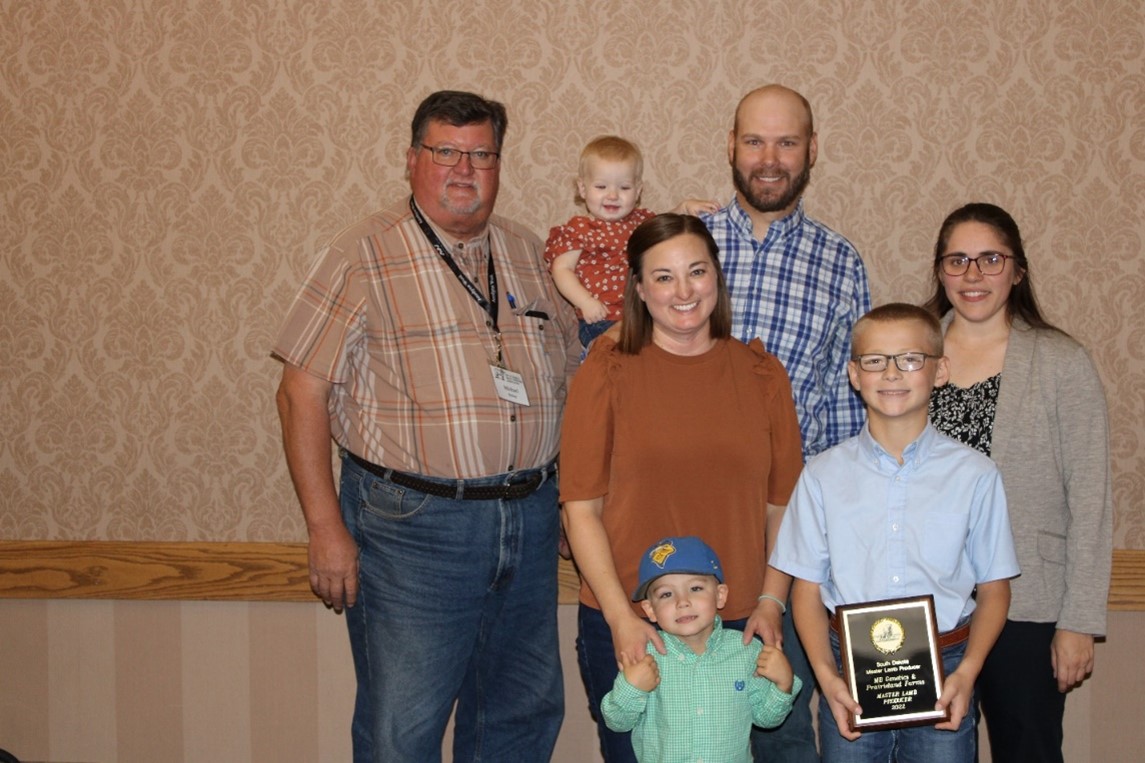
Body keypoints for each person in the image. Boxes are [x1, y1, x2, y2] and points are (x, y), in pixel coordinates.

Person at [272, 90, 580, 763]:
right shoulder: (363, 254)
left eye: (481, 154)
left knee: (520, 712)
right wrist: (324, 527)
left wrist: (569, 500)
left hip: (528, 518)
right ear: (413, 160)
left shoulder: (532, 255)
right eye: (446, 152)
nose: (463, 169)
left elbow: (573, 382)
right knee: (402, 726)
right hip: (411, 527)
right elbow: (300, 393)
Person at [560, 213, 805, 763]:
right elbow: (580, 508)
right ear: (640, 290)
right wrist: (623, 617)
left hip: (740, 623)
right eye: (664, 277)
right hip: (633, 621)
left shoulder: (763, 375)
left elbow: (782, 507)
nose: (684, 291)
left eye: (696, 271)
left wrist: (771, 600)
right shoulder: (608, 368)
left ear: (716, 277)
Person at [701, 83, 872, 762]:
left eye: (786, 141)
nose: (768, 158)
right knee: (682, 717)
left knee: (782, 722)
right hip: (684, 525)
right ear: (730, 147)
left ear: (811, 151)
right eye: (753, 140)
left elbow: (843, 411)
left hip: (790, 538)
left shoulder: (841, 263)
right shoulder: (686, 246)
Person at [771, 303, 1020, 762]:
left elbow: (995, 587)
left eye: (910, 359)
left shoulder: (975, 475)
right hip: (847, 669)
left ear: (939, 370)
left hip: (946, 666)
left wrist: (967, 673)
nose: (891, 374)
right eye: (874, 360)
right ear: (854, 373)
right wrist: (828, 681)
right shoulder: (822, 475)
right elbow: (806, 588)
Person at [924, 203, 1113, 762]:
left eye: (990, 259)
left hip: (1028, 608)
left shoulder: (1061, 363)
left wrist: (1079, 621)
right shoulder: (909, 354)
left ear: (1018, 270)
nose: (973, 274)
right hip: (929, 605)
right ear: (939, 271)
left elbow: (1091, 499)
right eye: (957, 260)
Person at [602, 536, 802, 763]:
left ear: (720, 595)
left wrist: (783, 685)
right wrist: (632, 688)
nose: (682, 602)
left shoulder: (746, 651)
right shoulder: (644, 656)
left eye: (695, 588)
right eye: (666, 594)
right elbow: (617, 722)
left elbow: (766, 719)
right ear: (650, 610)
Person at [544, 135, 717, 348]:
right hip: (601, 318)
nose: (613, 195)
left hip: (642, 315)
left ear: (638, 190)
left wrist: (683, 207)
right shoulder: (579, 229)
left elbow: (662, 228)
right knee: (613, 361)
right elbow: (561, 269)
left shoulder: (641, 222)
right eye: (601, 187)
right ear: (582, 188)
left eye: (624, 188)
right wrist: (585, 302)